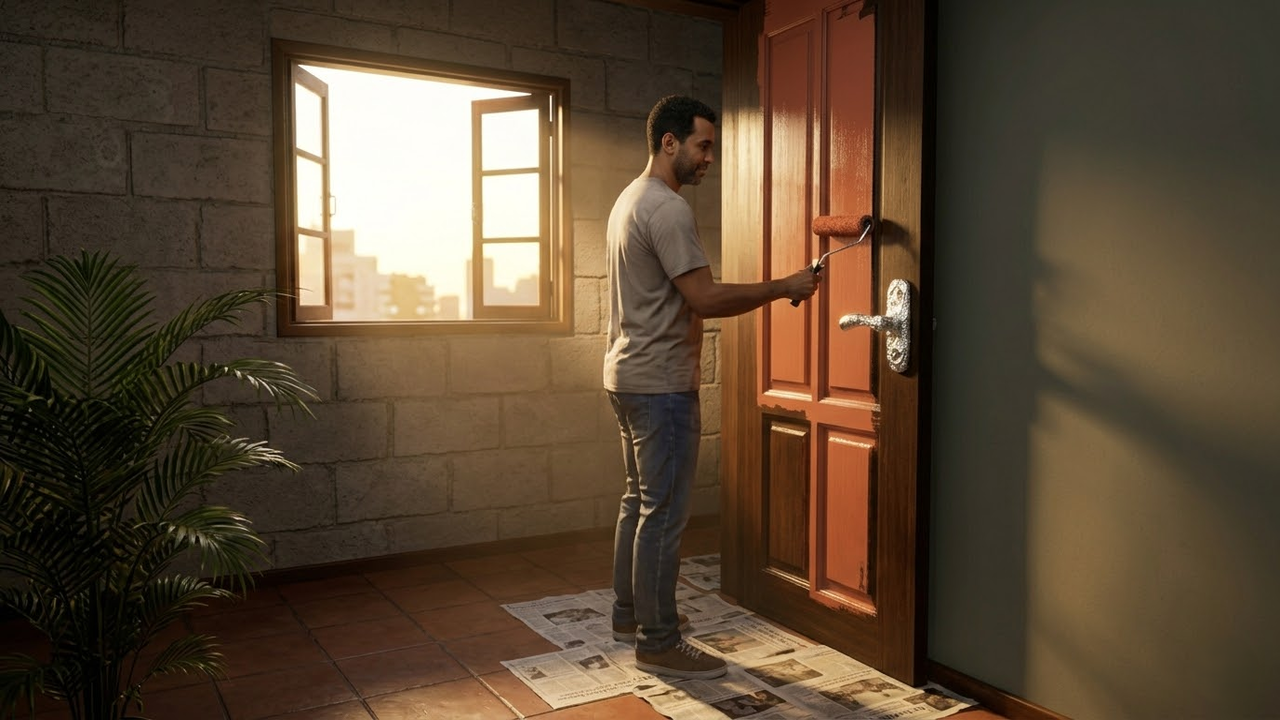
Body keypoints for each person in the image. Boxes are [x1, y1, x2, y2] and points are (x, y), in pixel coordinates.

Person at [603, 95, 821, 680]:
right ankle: (659, 641)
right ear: (668, 142)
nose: (709, 159)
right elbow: (705, 298)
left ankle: (630, 615)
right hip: (660, 385)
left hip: (625, 376)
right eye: (703, 146)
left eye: (712, 149)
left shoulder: (629, 199)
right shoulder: (667, 209)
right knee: (664, 514)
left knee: (638, 503)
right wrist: (785, 286)